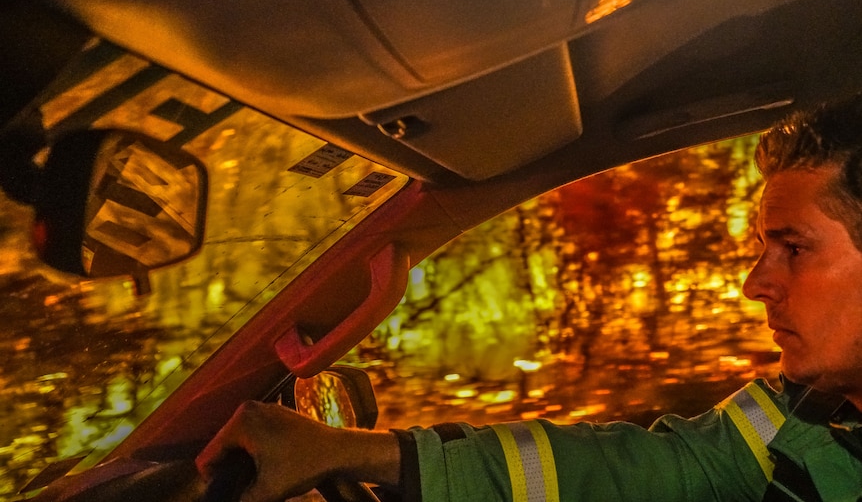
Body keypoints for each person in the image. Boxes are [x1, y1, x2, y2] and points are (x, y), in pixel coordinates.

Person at [197, 97, 862, 501]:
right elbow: (630, 469)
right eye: (761, 247)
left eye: (795, 248)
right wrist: (355, 451)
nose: (755, 282)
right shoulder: (800, 414)